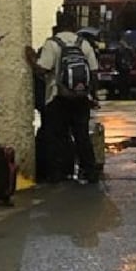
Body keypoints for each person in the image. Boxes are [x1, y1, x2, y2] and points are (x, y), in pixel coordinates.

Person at [37, 12, 102, 183]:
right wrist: (92, 95)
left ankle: (58, 173)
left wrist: (31, 60)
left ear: (57, 25)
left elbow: (43, 69)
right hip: (81, 98)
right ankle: (89, 170)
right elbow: (94, 72)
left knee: (57, 136)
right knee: (82, 135)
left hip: (57, 97)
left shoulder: (52, 44)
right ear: (74, 26)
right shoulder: (84, 44)